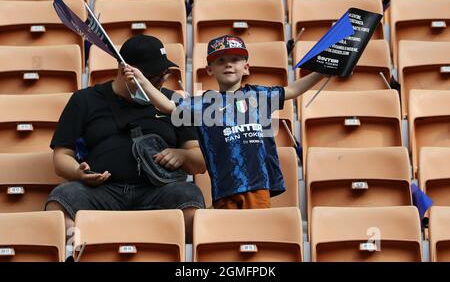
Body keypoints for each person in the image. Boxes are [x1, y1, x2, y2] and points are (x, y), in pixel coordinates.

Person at [123, 35, 327, 209]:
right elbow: (167, 106)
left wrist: (323, 71)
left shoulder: (259, 95)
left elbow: (293, 90)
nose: (228, 64)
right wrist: (143, 81)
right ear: (209, 69)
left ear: (246, 68)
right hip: (225, 187)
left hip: (257, 185)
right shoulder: (203, 104)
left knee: (257, 234)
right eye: (220, 61)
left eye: (235, 59)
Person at [45, 34, 206, 244]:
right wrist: (79, 173)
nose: (160, 81)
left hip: (157, 190)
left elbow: (199, 162)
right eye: (152, 76)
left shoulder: (173, 103)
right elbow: (61, 156)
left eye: (164, 74)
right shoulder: (84, 100)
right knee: (61, 200)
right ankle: (78, 253)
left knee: (189, 195)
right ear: (124, 71)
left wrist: (182, 155)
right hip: (102, 191)